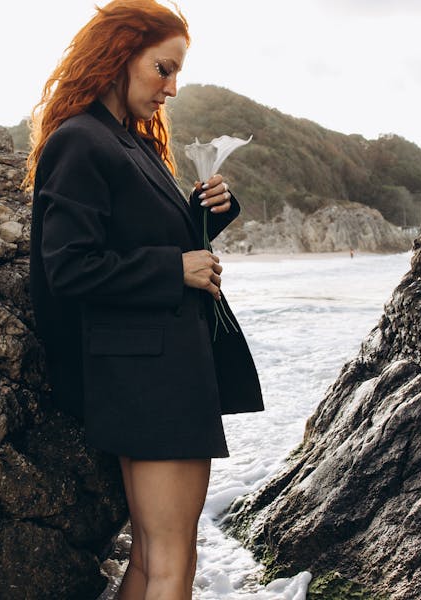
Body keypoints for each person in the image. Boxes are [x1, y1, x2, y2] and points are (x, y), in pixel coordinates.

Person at [24, 1, 264, 598]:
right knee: (169, 561)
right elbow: (68, 267)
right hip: (146, 375)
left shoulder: (128, 143)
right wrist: (174, 267)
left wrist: (205, 217)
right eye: (164, 68)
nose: (173, 87)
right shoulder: (80, 140)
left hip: (164, 368)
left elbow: (134, 242)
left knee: (162, 559)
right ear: (120, 55)